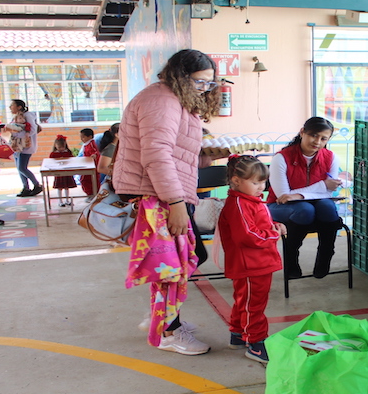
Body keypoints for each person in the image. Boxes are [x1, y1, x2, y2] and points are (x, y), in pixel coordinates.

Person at [112, 48, 225, 355]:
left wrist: (204, 159)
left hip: (168, 193)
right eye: (199, 82)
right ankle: (167, 331)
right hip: (160, 197)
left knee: (186, 259)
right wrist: (176, 204)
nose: (203, 89)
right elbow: (157, 157)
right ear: (179, 76)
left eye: (208, 84)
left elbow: (174, 154)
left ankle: (160, 317)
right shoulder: (161, 100)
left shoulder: (173, 99)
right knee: (171, 266)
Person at [218, 155, 286, 363]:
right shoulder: (239, 204)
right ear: (237, 180)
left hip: (257, 262)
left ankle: (238, 334)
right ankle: (256, 343)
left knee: (245, 301)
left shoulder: (248, 201)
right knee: (253, 304)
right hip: (250, 265)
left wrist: (273, 225)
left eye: (263, 182)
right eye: (255, 182)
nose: (261, 187)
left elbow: (256, 224)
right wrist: (274, 234)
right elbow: (247, 235)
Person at [266, 117, 343, 279]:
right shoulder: (281, 158)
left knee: (327, 206)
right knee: (305, 209)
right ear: (302, 132)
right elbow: (283, 196)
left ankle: (325, 256)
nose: (317, 141)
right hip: (279, 207)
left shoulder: (331, 157)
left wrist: (299, 194)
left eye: (324, 138)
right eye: (314, 135)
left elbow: (329, 192)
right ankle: (291, 258)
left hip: (316, 207)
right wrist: (322, 186)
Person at [7, 99, 42, 198]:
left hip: (25, 145)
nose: (10, 107)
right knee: (19, 168)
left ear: (19, 107)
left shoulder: (27, 115)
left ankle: (37, 185)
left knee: (22, 167)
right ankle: (25, 187)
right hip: (17, 146)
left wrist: (20, 135)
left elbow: (32, 129)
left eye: (12, 105)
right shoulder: (16, 116)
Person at [49, 135, 77, 207]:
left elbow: (72, 160)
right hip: (58, 173)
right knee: (59, 187)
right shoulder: (53, 154)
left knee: (67, 187)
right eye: (59, 147)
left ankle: (67, 200)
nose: (61, 149)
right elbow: (50, 162)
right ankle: (60, 201)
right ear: (55, 146)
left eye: (62, 147)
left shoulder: (68, 152)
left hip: (67, 172)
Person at [79, 128, 99, 199]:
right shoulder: (86, 144)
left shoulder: (91, 144)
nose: (82, 139)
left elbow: (95, 152)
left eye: (83, 137)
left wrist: (94, 155)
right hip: (87, 165)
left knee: (90, 181)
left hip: (92, 166)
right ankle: (90, 194)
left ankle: (92, 194)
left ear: (90, 136)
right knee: (84, 180)